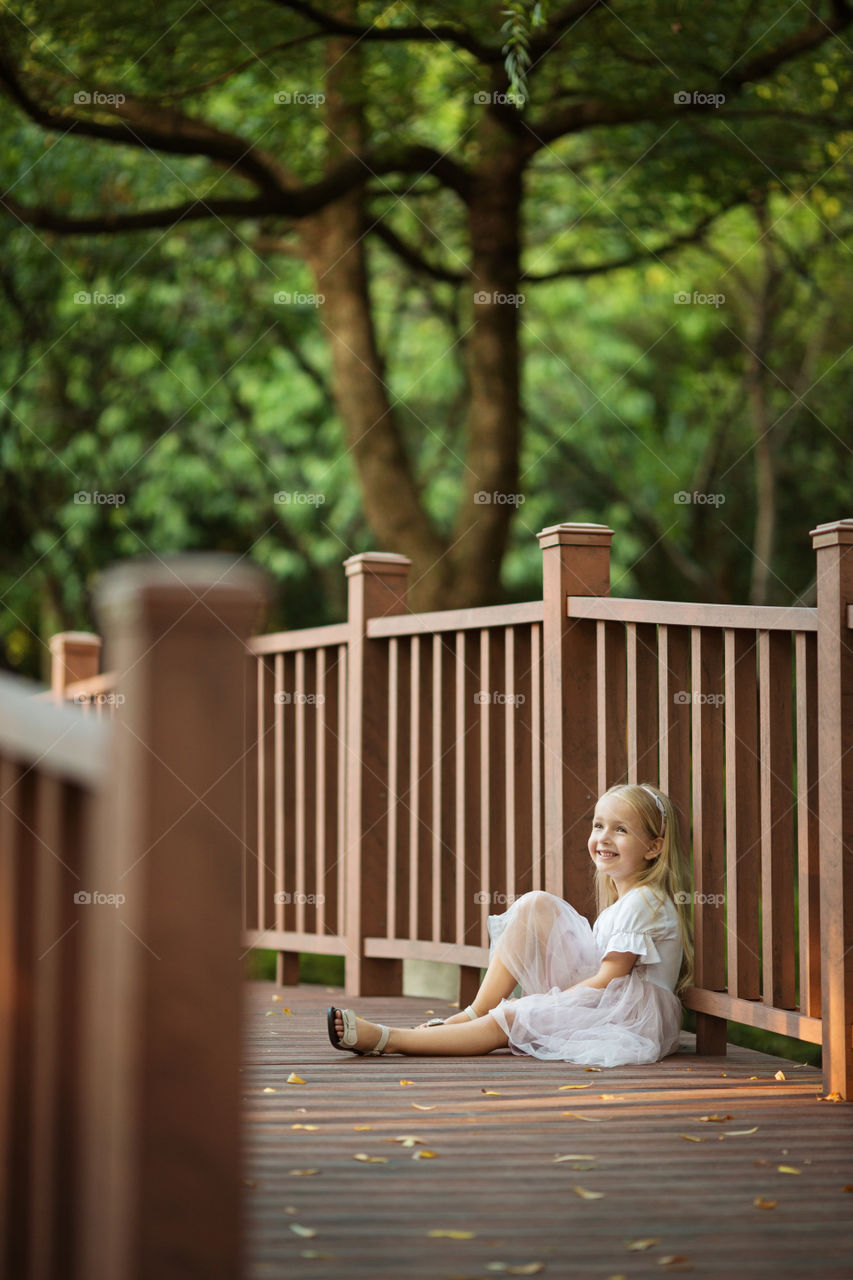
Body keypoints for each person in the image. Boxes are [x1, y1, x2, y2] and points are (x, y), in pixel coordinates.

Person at [327, 782, 694, 1068]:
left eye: (621, 830)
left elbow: (609, 979)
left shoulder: (645, 900)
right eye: (599, 825)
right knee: (535, 904)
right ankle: (475, 1012)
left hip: (632, 1021)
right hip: (614, 1000)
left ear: (653, 847)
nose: (603, 838)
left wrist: (545, 1002)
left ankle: (389, 1039)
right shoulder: (626, 902)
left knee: (517, 1014)